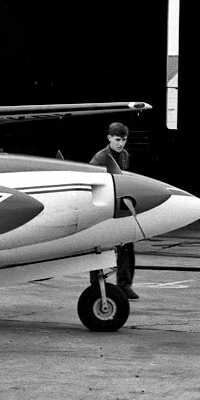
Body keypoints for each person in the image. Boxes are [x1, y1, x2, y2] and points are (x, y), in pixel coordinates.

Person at [90, 122, 138, 299]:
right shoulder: (100, 158)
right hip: (102, 208)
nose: (121, 144)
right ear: (109, 138)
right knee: (97, 246)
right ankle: (95, 284)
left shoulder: (124, 155)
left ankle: (124, 284)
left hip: (117, 206)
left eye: (124, 140)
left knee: (128, 242)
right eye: (117, 139)